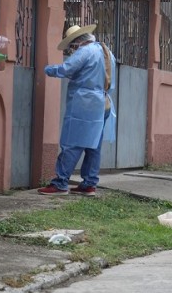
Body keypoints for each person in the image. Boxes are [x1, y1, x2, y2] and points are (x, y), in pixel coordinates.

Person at [38, 24, 116, 197]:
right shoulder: (107, 52)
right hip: (104, 102)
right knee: (93, 146)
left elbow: (67, 69)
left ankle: (60, 183)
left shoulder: (85, 51)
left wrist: (47, 69)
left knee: (72, 142)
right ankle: (89, 184)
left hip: (85, 104)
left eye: (72, 46)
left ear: (77, 42)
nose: (72, 50)